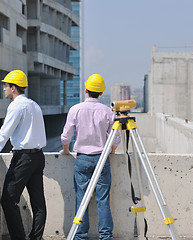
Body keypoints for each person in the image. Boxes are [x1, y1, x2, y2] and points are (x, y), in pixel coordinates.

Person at [0, 70, 47, 240]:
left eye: (6, 86)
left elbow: (4, 132)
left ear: (13, 88)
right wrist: (19, 146)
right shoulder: (34, 105)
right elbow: (34, 132)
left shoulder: (16, 106)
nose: (4, 89)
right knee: (38, 203)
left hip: (24, 159)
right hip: (37, 157)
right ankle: (36, 238)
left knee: (8, 200)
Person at [60, 74, 121, 240]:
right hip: (102, 158)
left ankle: (80, 236)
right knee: (103, 200)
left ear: (86, 90)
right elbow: (116, 138)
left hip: (82, 159)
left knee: (81, 200)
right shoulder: (108, 111)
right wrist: (112, 150)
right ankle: (106, 236)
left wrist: (66, 150)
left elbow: (66, 137)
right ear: (101, 93)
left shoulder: (76, 109)